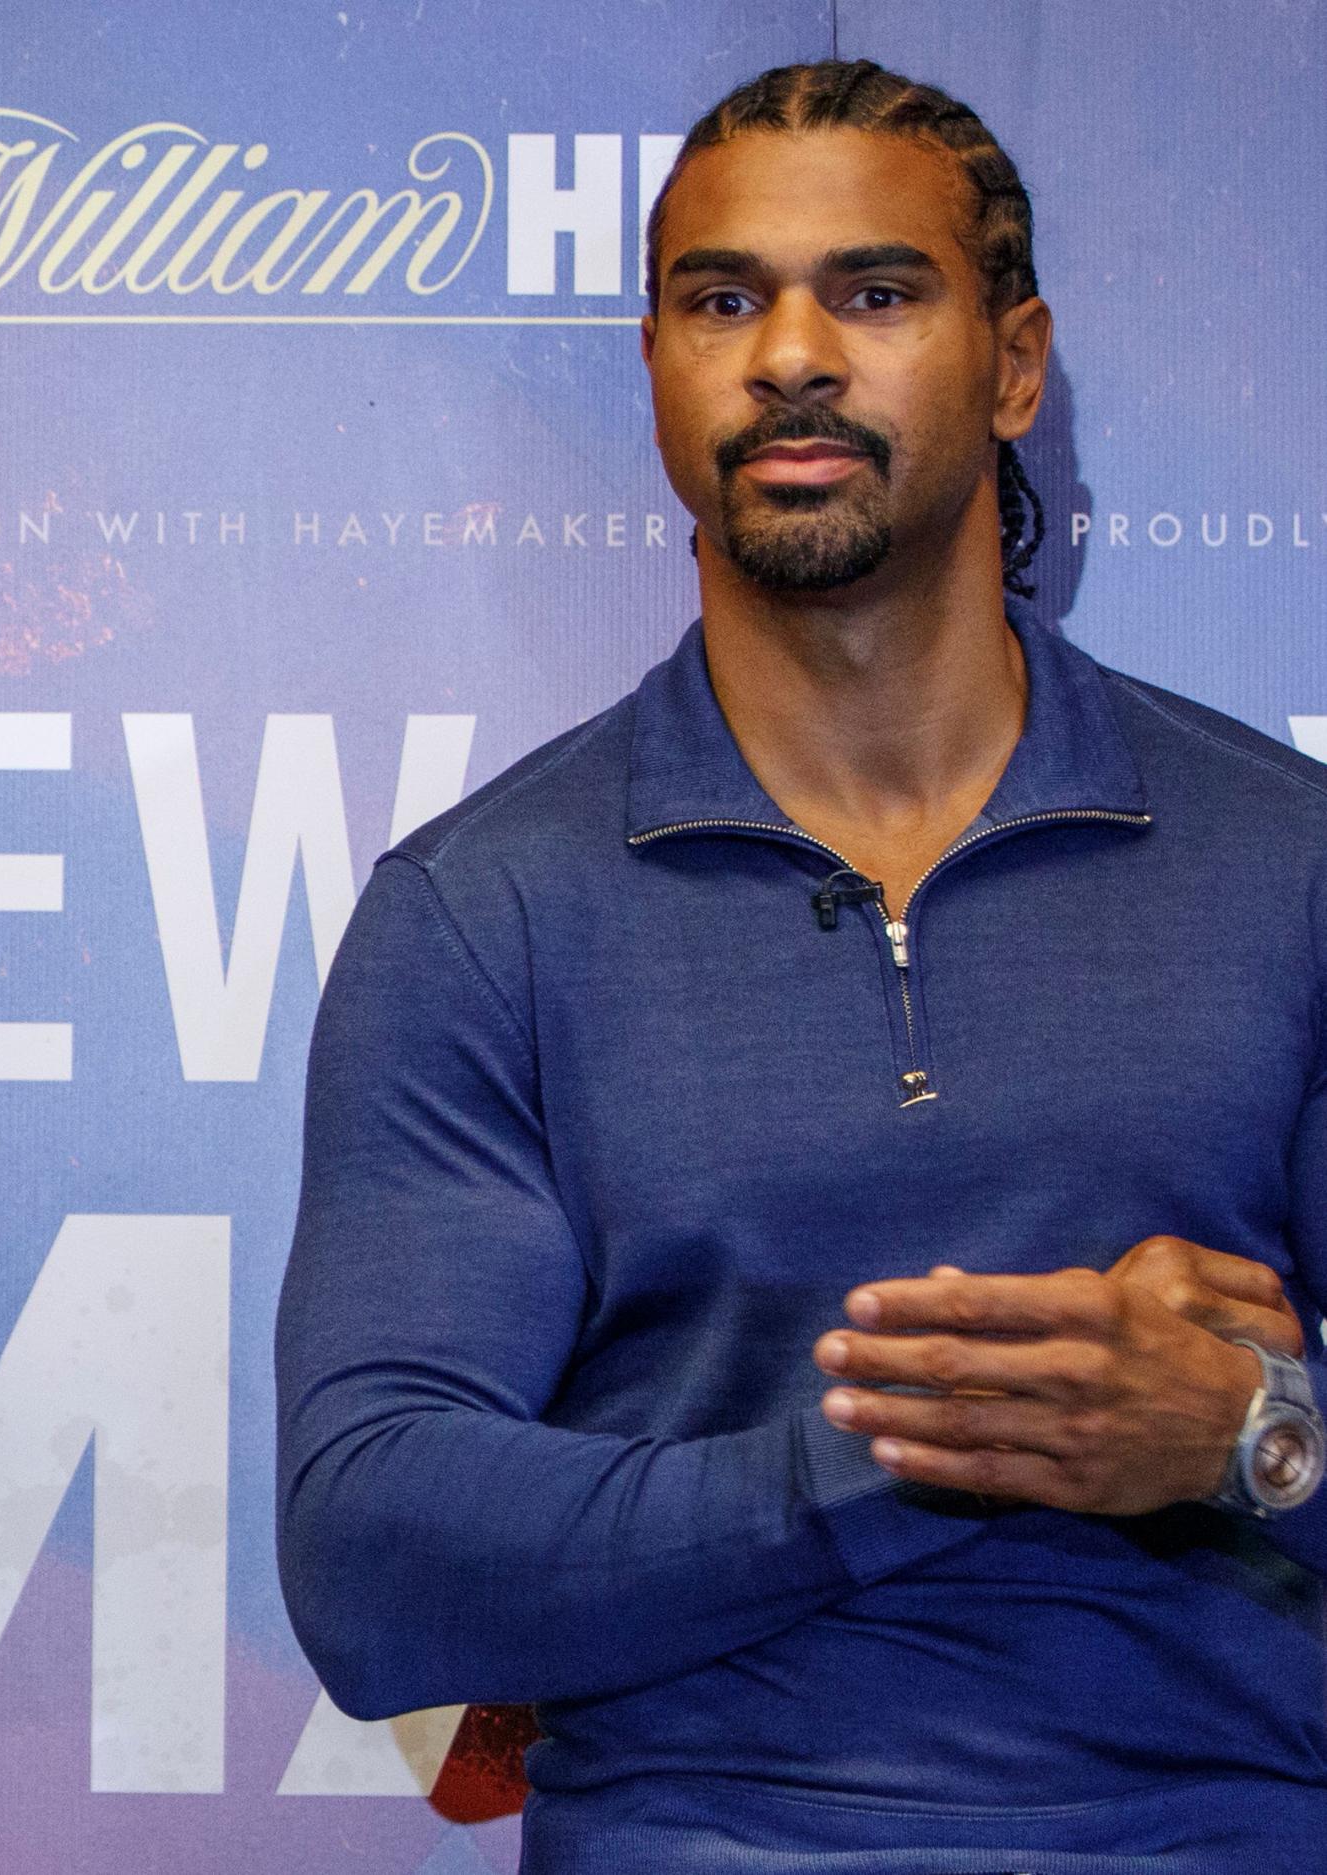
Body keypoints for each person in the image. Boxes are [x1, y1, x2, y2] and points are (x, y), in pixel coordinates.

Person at [277, 59, 1327, 1872]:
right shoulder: (483, 910)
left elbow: (1269, 1433)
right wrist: (904, 1458)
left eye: (875, 291)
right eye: (721, 298)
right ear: (660, 368)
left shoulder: (1291, 864)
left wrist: (1250, 1435)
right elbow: (375, 1558)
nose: (789, 354)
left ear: (1014, 364)